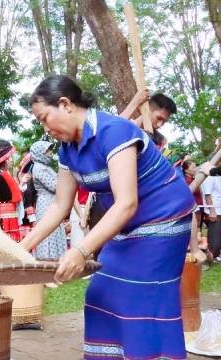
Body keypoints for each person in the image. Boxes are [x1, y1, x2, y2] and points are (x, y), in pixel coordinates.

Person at [22, 75, 196, 359]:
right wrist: (21, 247)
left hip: (165, 221)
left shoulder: (114, 131)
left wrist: (80, 250)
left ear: (65, 104)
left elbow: (126, 202)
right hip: (128, 226)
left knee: (138, 300)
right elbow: (59, 205)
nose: (45, 128)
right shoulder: (67, 150)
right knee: (100, 296)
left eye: (44, 118)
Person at [30, 140, 66, 261]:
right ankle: (47, 262)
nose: (50, 153)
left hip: (52, 202)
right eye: (47, 151)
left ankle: (57, 262)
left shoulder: (45, 167)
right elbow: (54, 186)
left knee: (55, 230)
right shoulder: (39, 168)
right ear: (40, 153)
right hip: (46, 204)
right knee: (48, 232)